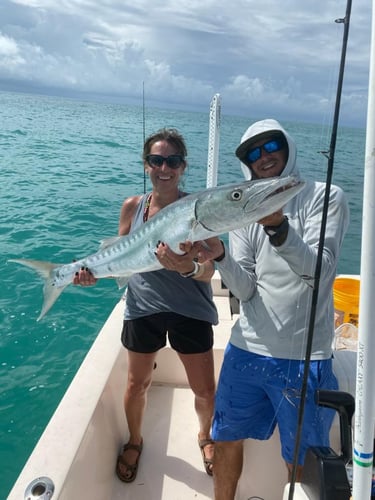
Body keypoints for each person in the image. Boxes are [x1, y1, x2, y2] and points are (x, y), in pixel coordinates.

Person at [196, 118, 350, 500]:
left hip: (304, 356)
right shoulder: (243, 208)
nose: (263, 157)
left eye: (270, 146)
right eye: (252, 153)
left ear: (287, 146)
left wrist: (278, 227)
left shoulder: (324, 196)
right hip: (246, 349)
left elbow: (321, 273)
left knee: (301, 458)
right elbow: (246, 288)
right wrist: (221, 258)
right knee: (226, 437)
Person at [74, 128, 218, 481]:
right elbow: (120, 258)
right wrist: (92, 274)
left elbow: (210, 266)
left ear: (183, 167)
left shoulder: (194, 210)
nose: (163, 168)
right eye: (156, 160)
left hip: (191, 309)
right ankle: (134, 440)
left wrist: (190, 267)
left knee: (204, 389)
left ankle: (205, 436)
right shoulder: (133, 207)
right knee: (136, 384)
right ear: (146, 164)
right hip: (143, 308)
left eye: (172, 161)